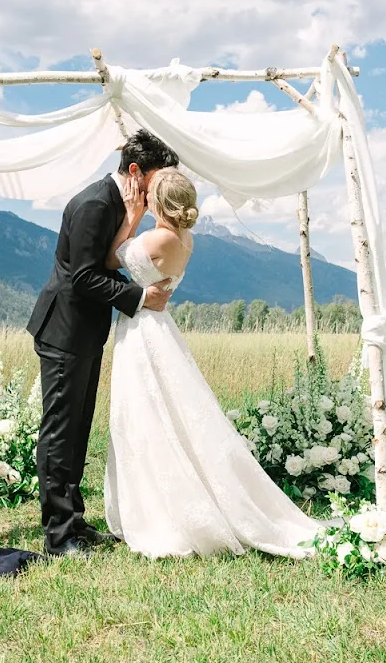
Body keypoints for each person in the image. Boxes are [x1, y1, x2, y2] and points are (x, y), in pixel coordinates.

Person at [103, 168, 323, 558]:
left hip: (143, 331)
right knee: (165, 414)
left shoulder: (157, 237)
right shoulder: (185, 238)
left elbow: (111, 256)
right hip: (157, 326)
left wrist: (132, 215)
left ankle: (161, 513)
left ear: (157, 202)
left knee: (146, 417)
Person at [26, 130, 178, 557]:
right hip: (64, 331)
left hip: (85, 332)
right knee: (60, 433)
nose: (160, 190)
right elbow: (85, 276)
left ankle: (75, 523)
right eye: (157, 180)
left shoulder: (119, 204)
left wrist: (131, 222)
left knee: (76, 430)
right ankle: (59, 536)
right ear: (135, 172)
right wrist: (139, 297)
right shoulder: (95, 204)